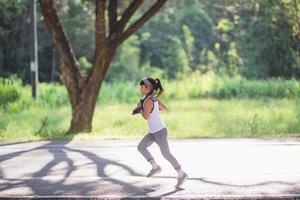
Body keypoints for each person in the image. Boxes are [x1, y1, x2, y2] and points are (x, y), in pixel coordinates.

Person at [134, 77, 188, 188]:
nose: (140, 89)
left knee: (166, 154)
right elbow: (164, 109)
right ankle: (155, 167)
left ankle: (181, 174)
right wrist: (154, 107)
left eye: (141, 87)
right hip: (153, 132)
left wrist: (141, 108)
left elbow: (145, 116)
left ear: (147, 88)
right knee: (141, 147)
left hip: (159, 132)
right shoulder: (152, 98)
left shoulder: (149, 100)